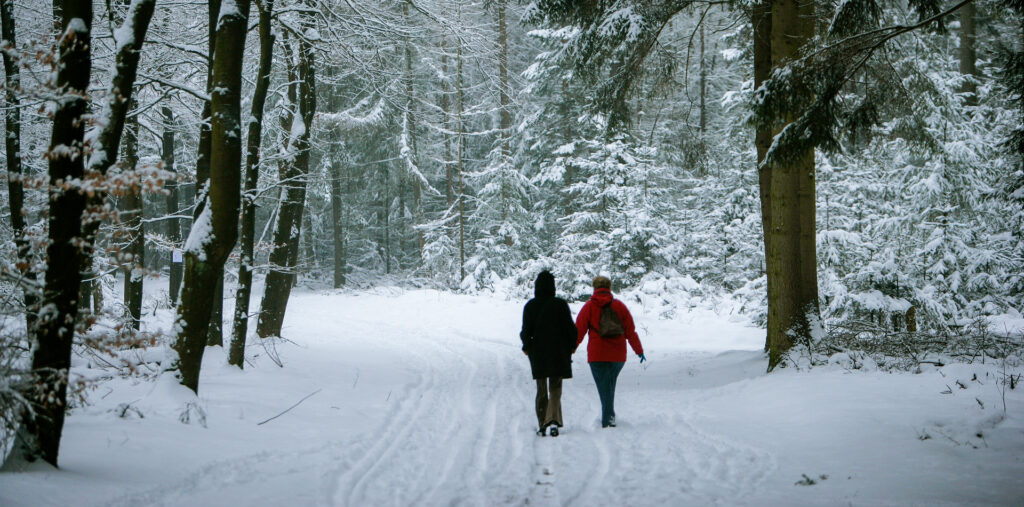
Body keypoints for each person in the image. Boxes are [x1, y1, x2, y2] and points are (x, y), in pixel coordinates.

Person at [573, 275, 645, 428]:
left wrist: (570, 350)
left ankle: (608, 418)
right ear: (609, 288)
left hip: (597, 354)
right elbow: (630, 331)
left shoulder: (589, 307)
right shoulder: (620, 306)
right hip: (618, 355)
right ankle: (609, 415)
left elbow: (578, 332)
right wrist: (639, 351)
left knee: (605, 386)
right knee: (609, 385)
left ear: (595, 288)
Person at [520, 270, 577, 437]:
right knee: (556, 386)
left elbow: (525, 331)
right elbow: (570, 329)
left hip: (538, 352)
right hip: (558, 350)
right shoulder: (560, 304)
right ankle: (553, 420)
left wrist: (527, 346)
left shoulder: (530, 306)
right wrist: (572, 346)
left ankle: (542, 422)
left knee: (541, 388)